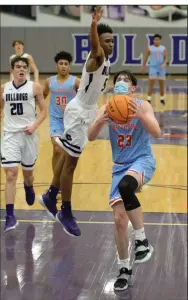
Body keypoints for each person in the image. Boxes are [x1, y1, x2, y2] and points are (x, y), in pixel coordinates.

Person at [39, 7, 113, 236]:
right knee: (71, 164)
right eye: (106, 41)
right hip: (79, 112)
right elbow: (95, 46)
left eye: (112, 41)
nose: (110, 44)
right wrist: (93, 24)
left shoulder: (106, 60)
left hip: (87, 112)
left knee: (68, 157)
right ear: (98, 43)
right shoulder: (97, 56)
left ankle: (51, 195)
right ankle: (65, 211)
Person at [88, 70, 161, 291]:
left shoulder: (143, 105)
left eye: (126, 80)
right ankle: (124, 268)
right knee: (119, 221)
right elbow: (90, 136)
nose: (121, 82)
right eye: (118, 80)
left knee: (126, 186)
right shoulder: (107, 108)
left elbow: (157, 132)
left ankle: (142, 241)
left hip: (141, 160)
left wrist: (140, 116)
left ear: (132, 89)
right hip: (119, 166)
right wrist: (100, 120)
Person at [0, 56, 46, 232]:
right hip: (10, 136)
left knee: (28, 174)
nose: (21, 69)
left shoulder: (35, 87)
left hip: (29, 135)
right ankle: (10, 216)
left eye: (24, 67)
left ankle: (29, 186)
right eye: (18, 67)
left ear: (27, 70)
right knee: (11, 174)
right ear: (12, 70)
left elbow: (43, 111)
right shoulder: (4, 88)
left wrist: (34, 125)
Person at [42, 51, 80, 175]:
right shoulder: (49, 81)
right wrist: (38, 109)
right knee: (57, 148)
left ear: (69, 66)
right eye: (61, 63)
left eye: (66, 64)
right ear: (56, 66)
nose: (63, 66)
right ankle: (56, 182)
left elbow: (83, 100)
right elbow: (43, 95)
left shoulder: (76, 81)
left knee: (67, 153)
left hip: (71, 121)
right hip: (55, 119)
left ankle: (64, 178)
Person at [141, 34, 168, 105]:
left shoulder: (163, 48)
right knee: (151, 83)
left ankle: (162, 99)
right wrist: (143, 66)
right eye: (155, 40)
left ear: (160, 40)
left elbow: (166, 58)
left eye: (158, 40)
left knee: (161, 83)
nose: (157, 41)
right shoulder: (150, 48)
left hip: (161, 68)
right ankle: (149, 99)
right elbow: (146, 57)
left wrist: (164, 63)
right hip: (153, 67)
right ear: (153, 40)